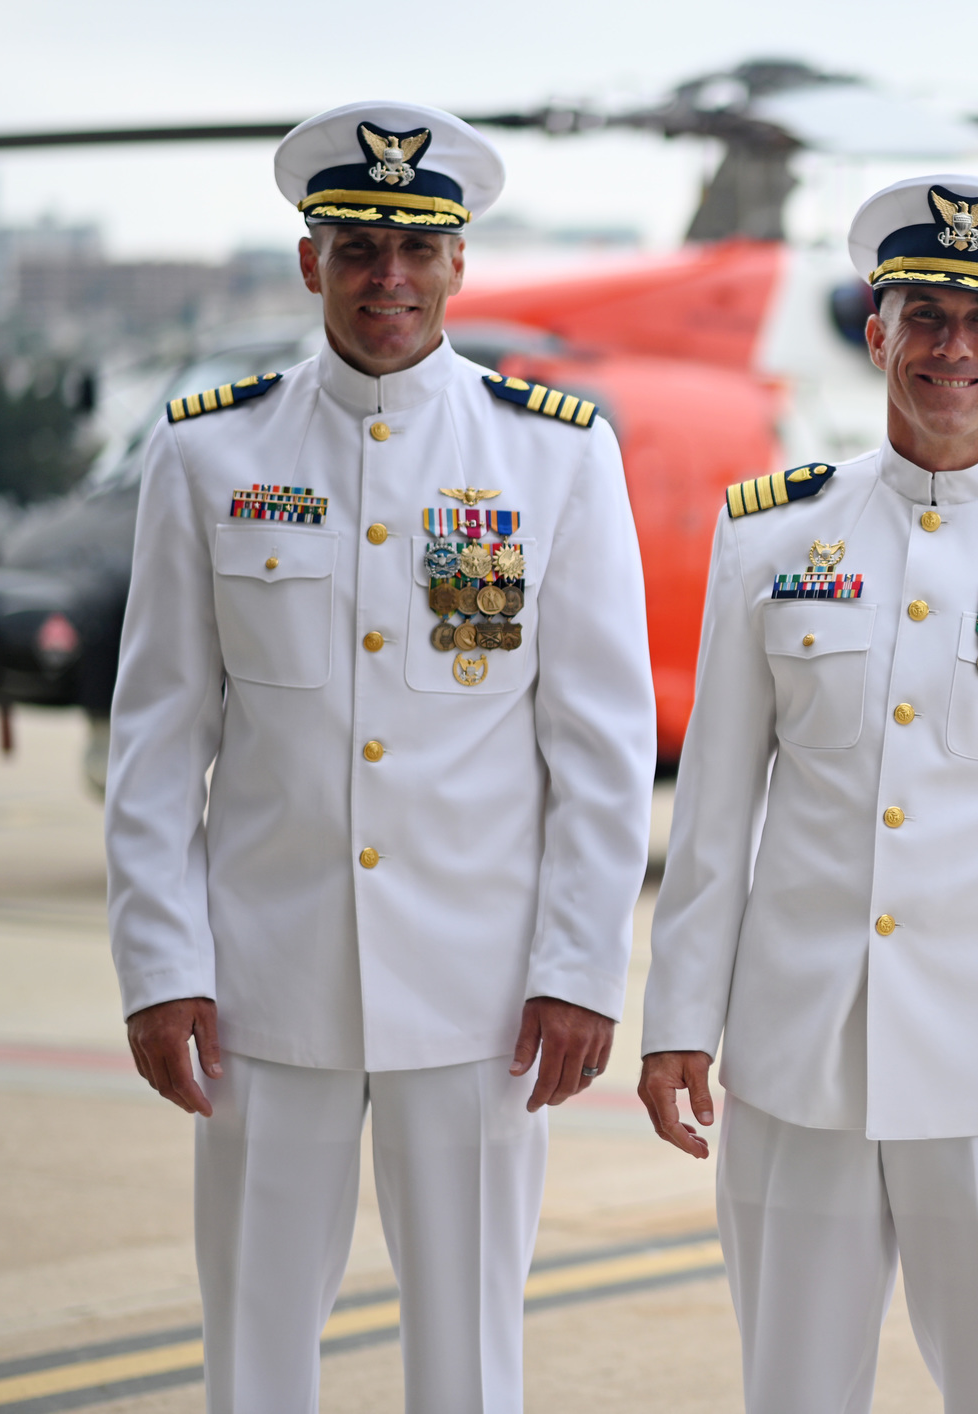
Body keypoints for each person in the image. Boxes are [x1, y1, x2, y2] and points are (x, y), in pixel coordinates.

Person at [104, 100, 654, 1414]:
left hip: (477, 998)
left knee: (467, 1358)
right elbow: (158, 735)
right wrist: (161, 963)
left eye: (417, 247)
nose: (388, 276)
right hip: (261, 984)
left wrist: (580, 968)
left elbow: (600, 742)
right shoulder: (209, 451)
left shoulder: (553, 457)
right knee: (253, 1349)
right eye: (357, 246)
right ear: (312, 262)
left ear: (462, 263)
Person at [637, 174, 978, 1413]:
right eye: (922, 316)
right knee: (789, 1390)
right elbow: (714, 806)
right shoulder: (772, 537)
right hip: (794, 1058)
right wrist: (679, 1016)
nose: (951, 349)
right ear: (874, 329)